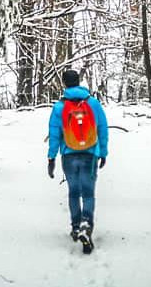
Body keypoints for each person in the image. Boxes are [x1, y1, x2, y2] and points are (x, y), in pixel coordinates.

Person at [47, 69, 108, 252]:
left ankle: (75, 227)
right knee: (88, 193)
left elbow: (54, 134)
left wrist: (51, 158)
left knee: (74, 192)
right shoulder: (94, 104)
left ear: (64, 83)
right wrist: (103, 152)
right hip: (90, 154)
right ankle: (86, 224)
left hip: (69, 155)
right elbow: (102, 128)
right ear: (79, 81)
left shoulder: (59, 107)